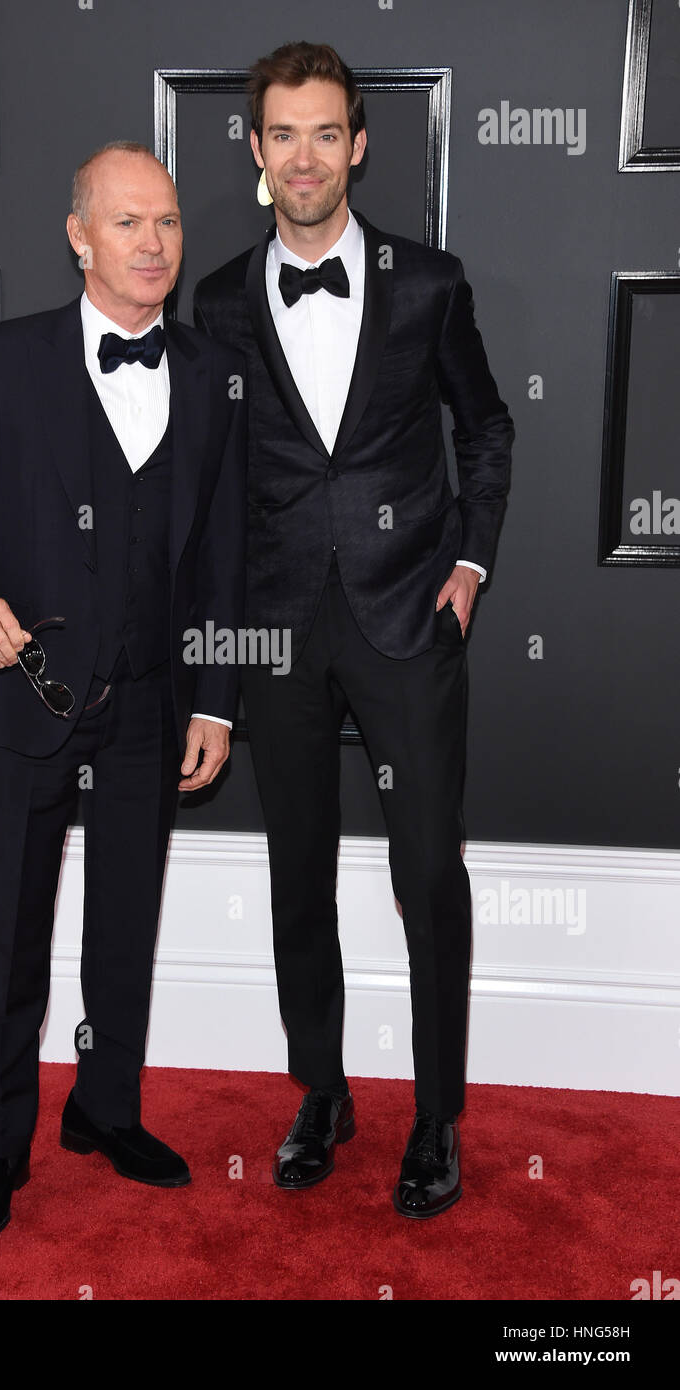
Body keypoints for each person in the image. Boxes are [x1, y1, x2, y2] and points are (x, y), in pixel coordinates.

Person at [0, 142, 246, 1244]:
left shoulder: (208, 372)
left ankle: (105, 1109)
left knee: (124, 926)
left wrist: (215, 697)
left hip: (151, 700)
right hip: (30, 691)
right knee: (11, 935)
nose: (153, 244)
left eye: (170, 223)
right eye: (128, 223)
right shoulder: (5, 358)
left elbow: (224, 547)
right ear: (79, 236)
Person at [194, 42, 513, 1217]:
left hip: (404, 612)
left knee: (429, 873)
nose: (305, 156)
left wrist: (469, 561)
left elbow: (484, 429)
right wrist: (214, 666)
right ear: (255, 149)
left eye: (326, 133)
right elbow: (214, 483)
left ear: (359, 145)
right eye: (284, 134)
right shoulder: (219, 298)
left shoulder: (429, 283)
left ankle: (436, 1119)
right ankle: (320, 1091)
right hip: (277, 626)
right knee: (295, 875)